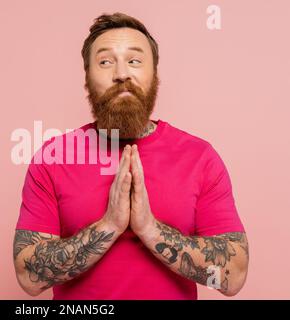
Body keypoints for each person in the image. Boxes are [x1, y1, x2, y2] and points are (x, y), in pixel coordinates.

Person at [13, 12, 248, 299]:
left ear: (155, 75)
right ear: (87, 78)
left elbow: (233, 277)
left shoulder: (200, 157)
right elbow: (29, 277)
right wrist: (109, 224)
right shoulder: (53, 158)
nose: (121, 73)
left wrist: (149, 229)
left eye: (135, 60)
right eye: (105, 62)